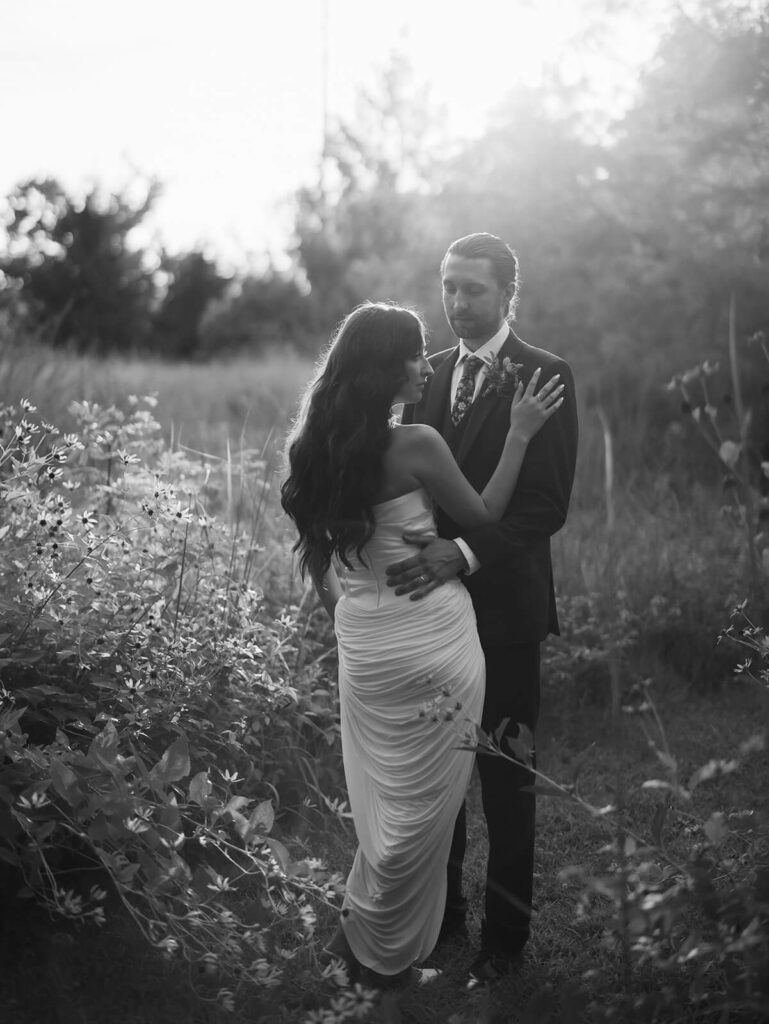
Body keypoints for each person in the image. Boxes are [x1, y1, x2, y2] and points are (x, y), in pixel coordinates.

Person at [280, 301, 564, 987]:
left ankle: (385, 939)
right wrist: (519, 436)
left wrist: (360, 614)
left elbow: (322, 569)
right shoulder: (417, 445)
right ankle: (395, 951)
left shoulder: (309, 450)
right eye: (412, 354)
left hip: (366, 642)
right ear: (383, 368)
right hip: (434, 636)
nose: (424, 364)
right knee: (430, 806)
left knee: (385, 807)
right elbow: (486, 518)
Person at [387, 233, 578, 989]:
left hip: (503, 611)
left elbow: (544, 506)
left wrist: (460, 554)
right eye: (447, 287)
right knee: (440, 776)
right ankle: (444, 922)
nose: (456, 303)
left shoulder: (545, 374)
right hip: (429, 616)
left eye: (471, 289)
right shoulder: (424, 375)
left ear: (506, 294)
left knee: (505, 773)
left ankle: (503, 943)